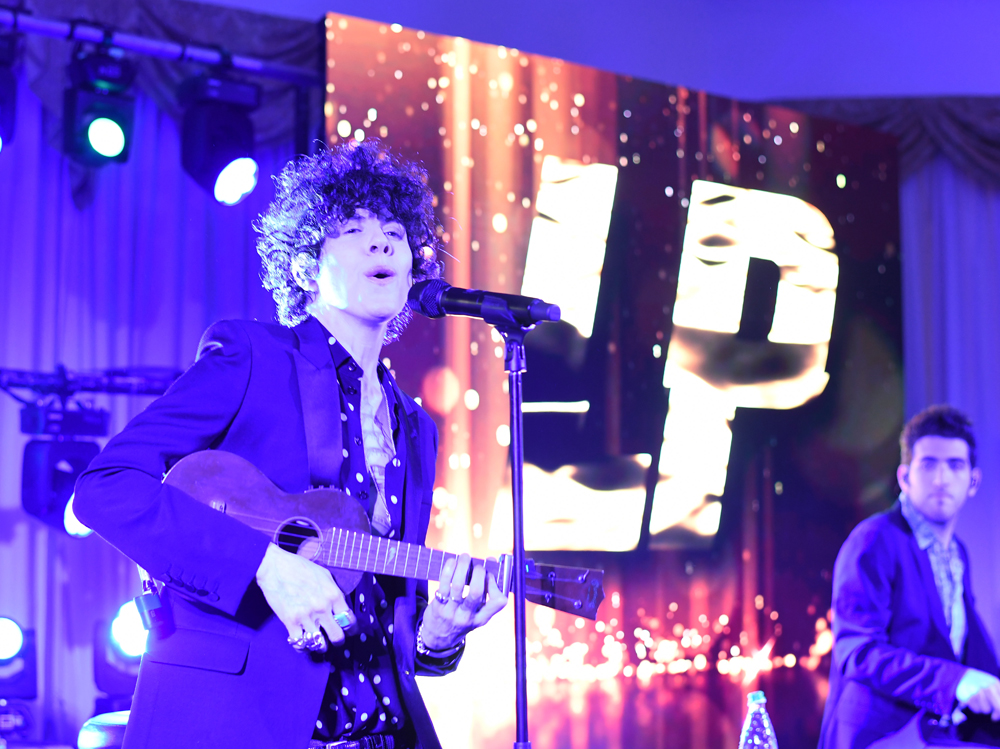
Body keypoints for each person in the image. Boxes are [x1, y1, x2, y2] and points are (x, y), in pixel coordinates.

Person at [74, 139, 507, 749]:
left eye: (395, 234)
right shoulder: (254, 357)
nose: (382, 243)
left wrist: (439, 637)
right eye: (353, 230)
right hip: (236, 726)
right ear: (305, 269)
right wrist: (263, 564)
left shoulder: (416, 428)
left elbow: (386, 621)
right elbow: (106, 489)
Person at [819, 405, 1000, 748]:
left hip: (931, 732)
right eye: (928, 464)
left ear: (973, 482)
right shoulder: (874, 539)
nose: (941, 479)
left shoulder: (957, 552)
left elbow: (971, 651)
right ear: (904, 477)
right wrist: (954, 681)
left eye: (955, 465)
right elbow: (857, 650)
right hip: (878, 736)